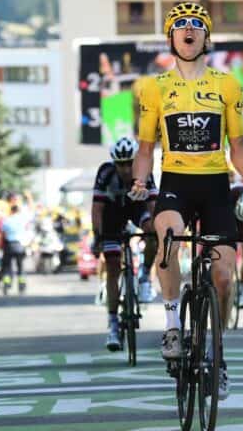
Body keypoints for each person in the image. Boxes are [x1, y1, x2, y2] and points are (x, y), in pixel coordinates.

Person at [128, 1, 243, 400]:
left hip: (215, 186)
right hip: (176, 182)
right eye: (180, 26)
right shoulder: (154, 88)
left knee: (223, 276)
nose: (188, 31)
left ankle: (216, 355)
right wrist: (141, 181)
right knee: (168, 237)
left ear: (206, 37)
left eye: (196, 25)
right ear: (171, 37)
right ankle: (173, 324)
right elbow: (145, 148)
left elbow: (238, 148)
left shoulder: (228, 85)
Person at [91, 137, 158, 352]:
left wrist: (154, 230)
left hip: (136, 209)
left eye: (130, 162)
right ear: (114, 163)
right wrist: (98, 237)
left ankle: (145, 275)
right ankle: (112, 324)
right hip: (112, 214)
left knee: (153, 230)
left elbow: (153, 204)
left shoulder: (144, 171)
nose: (126, 169)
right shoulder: (105, 173)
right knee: (112, 266)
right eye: (121, 164)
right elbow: (97, 209)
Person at [0, 199, 33, 294]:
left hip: (9, 245)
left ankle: (6, 284)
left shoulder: (7, 220)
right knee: (21, 266)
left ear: (11, 210)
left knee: (7, 267)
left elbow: (3, 234)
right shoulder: (23, 219)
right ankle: (21, 286)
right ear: (18, 210)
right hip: (20, 245)